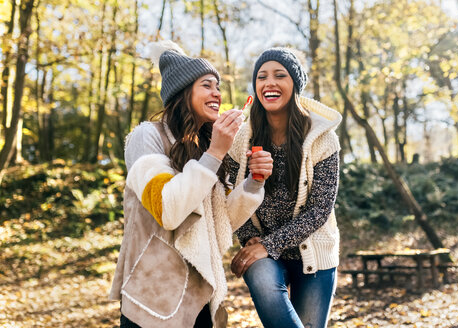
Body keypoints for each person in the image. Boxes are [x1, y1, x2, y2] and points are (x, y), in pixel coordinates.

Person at [109, 40, 273, 328]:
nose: (217, 93)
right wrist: (216, 153)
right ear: (183, 92)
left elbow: (220, 222)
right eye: (207, 85)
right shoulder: (147, 137)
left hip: (200, 295)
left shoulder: (203, 148)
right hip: (154, 299)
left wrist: (253, 184)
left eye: (218, 87)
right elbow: (168, 210)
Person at [228, 47, 341, 328]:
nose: (270, 82)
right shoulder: (239, 139)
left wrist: (269, 244)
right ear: (255, 87)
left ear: (295, 85)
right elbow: (229, 198)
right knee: (262, 276)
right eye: (262, 76)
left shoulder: (322, 139)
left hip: (313, 253)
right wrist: (252, 239)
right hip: (262, 254)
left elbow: (320, 210)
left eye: (280, 75)